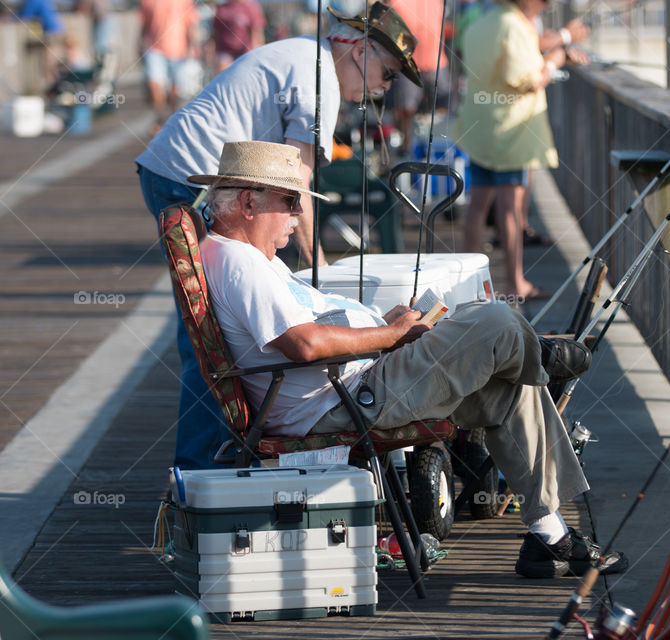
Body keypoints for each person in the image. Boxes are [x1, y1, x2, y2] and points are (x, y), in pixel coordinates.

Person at [194, 140, 628, 578]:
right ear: (249, 203)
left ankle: (547, 534)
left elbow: (307, 330)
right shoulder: (240, 263)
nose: (299, 214)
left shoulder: (250, 258)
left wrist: (384, 325)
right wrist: (392, 334)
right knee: (495, 318)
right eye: (290, 202)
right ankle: (539, 352)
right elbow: (303, 345)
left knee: (509, 384)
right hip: (345, 400)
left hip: (358, 380)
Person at [137, 2, 422, 469]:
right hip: (187, 177)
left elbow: (289, 191)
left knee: (211, 326)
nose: (382, 89)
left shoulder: (305, 55)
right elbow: (298, 188)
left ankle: (211, 463)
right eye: (387, 73)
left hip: (170, 166)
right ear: (361, 50)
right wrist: (318, 274)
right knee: (205, 334)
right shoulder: (321, 82)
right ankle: (200, 472)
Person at [456, 0, 580, 301]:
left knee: (477, 205)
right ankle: (515, 283)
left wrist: (554, 47)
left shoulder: (483, 22)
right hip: (510, 131)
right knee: (510, 210)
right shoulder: (515, 26)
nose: (544, 7)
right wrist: (555, 61)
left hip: (480, 126)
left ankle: (471, 287)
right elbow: (528, 81)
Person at [385, 0, 451, 155]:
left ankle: (437, 146)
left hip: (436, 61)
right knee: (405, 110)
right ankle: (406, 148)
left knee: (444, 106)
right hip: (405, 62)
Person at [140, 0, 200, 133]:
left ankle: (172, 120)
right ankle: (160, 118)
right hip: (154, 49)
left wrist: (193, 46)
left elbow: (191, 23)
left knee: (175, 89)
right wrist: (139, 44)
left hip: (178, 49)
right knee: (154, 84)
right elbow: (144, 24)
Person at [212, 0, 266, 74]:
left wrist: (255, 52)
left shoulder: (250, 7)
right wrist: (214, 52)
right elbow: (216, 32)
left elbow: (257, 32)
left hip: (245, 53)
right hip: (225, 52)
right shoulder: (221, 9)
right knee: (224, 76)